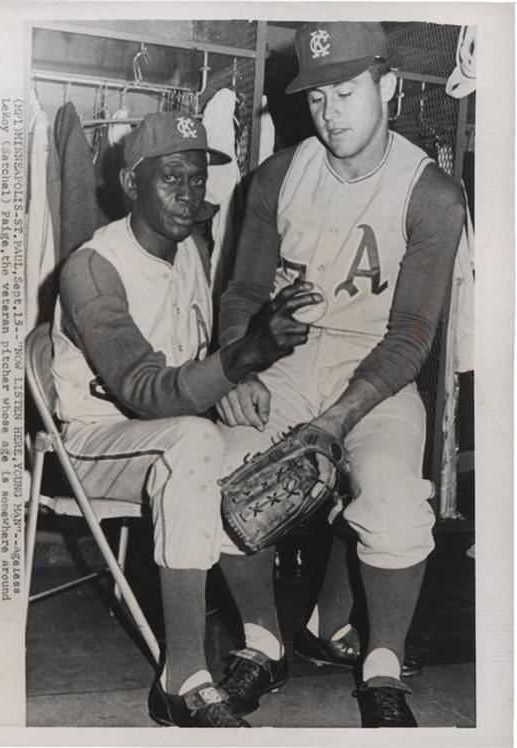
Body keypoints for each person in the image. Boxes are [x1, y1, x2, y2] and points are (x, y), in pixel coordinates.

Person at [215, 21, 466, 727]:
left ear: (386, 86)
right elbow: (240, 292)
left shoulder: (433, 195)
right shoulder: (276, 175)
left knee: (393, 502)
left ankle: (381, 667)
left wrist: (334, 422)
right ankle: (263, 643)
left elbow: (413, 333)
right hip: (284, 360)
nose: (332, 113)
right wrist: (238, 364)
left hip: (377, 372)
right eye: (318, 98)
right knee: (218, 477)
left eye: (348, 92)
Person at [50, 110, 321, 728]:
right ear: (129, 184)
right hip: (92, 445)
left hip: (168, 434)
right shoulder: (92, 266)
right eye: (170, 177)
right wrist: (245, 354)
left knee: (251, 443)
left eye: (198, 179)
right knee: (197, 443)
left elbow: (192, 365)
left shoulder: (191, 249)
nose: (189, 194)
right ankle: (184, 678)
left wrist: (237, 383)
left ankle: (266, 644)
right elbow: (145, 389)